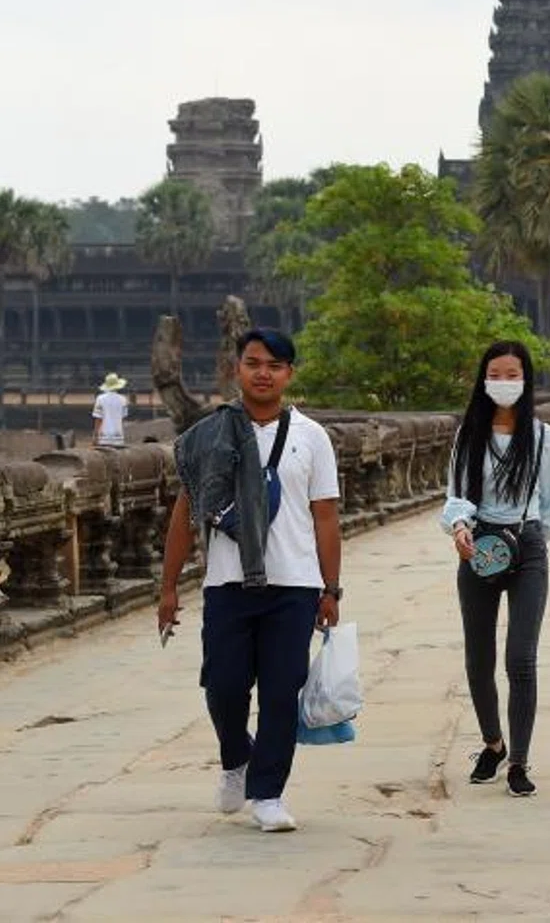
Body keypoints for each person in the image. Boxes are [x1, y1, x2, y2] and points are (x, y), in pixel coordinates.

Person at [159, 328, 342, 834]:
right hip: (227, 582)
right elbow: (184, 511)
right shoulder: (208, 436)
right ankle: (236, 759)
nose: (264, 373)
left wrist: (331, 588)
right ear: (236, 368)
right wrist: (168, 586)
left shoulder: (311, 437)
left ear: (289, 374)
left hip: (295, 584)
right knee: (223, 686)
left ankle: (268, 793)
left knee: (282, 691)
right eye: (254, 363)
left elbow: (325, 516)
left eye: (275, 365)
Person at [438, 340, 550, 798]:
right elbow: (455, 493)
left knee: (520, 658)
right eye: (496, 373)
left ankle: (519, 761)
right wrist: (460, 528)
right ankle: (493, 742)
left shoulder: (543, 437)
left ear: (526, 380)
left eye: (513, 374)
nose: (504, 382)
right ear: (482, 378)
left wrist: (526, 540)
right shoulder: (468, 435)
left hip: (526, 546)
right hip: (477, 543)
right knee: (479, 657)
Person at [93, 373, 130, 447]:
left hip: (104, 437)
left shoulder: (100, 399)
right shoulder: (123, 399)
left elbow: (98, 419)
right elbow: (122, 419)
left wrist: (95, 436)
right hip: (118, 437)